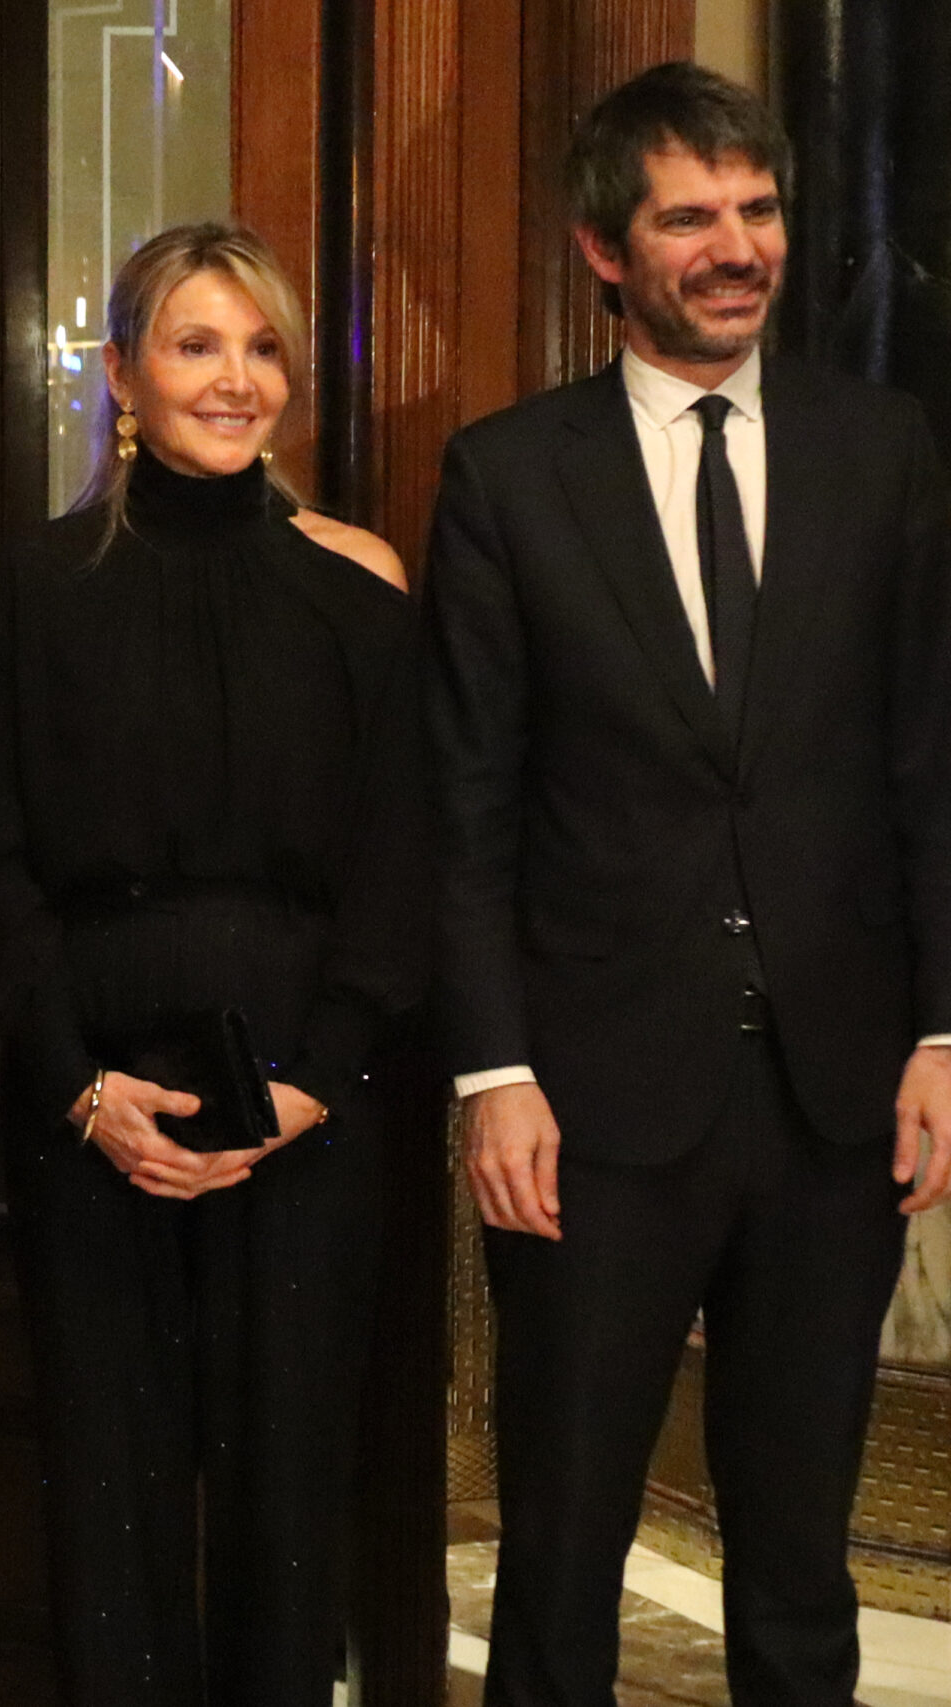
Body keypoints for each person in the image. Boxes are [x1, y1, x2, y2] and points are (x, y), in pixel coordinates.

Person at [426, 62, 951, 1706]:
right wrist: (495, 1072)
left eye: (758, 209)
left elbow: (929, 764)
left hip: (833, 1098)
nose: (737, 248)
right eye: (690, 218)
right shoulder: (509, 477)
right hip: (589, 1109)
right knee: (564, 1543)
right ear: (605, 250)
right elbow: (466, 807)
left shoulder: (885, 449)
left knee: (800, 1556)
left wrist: (943, 1033)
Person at [0, 222, 425, 1707]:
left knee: (293, 1500)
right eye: (195, 345)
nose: (236, 380)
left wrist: (318, 1079)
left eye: (263, 348)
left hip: (311, 1094)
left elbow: (403, 862)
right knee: (111, 1498)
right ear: (120, 374)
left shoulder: (362, 589)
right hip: (87, 1087)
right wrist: (78, 1087)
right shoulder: (30, 587)